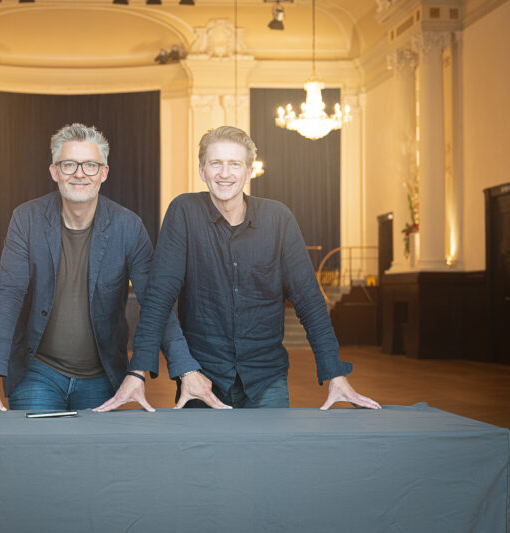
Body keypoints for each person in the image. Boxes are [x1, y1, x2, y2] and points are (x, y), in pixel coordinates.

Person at [129, 126, 381, 410]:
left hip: (266, 380)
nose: (225, 173)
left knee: (271, 455)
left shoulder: (279, 219)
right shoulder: (184, 212)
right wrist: (139, 371)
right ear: (202, 170)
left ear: (249, 171)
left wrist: (335, 372)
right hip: (200, 379)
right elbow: (159, 299)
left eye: (234, 164)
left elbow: (310, 302)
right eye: (216, 163)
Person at [0, 123, 189, 412]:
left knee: (93, 458)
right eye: (69, 164)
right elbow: (9, 294)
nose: (79, 173)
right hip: (37, 372)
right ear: (54, 171)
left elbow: (155, 302)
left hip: (102, 376)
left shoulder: (129, 226)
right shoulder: (26, 219)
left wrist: (185, 369)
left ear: (104, 172)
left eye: (90, 165)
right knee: (38, 454)